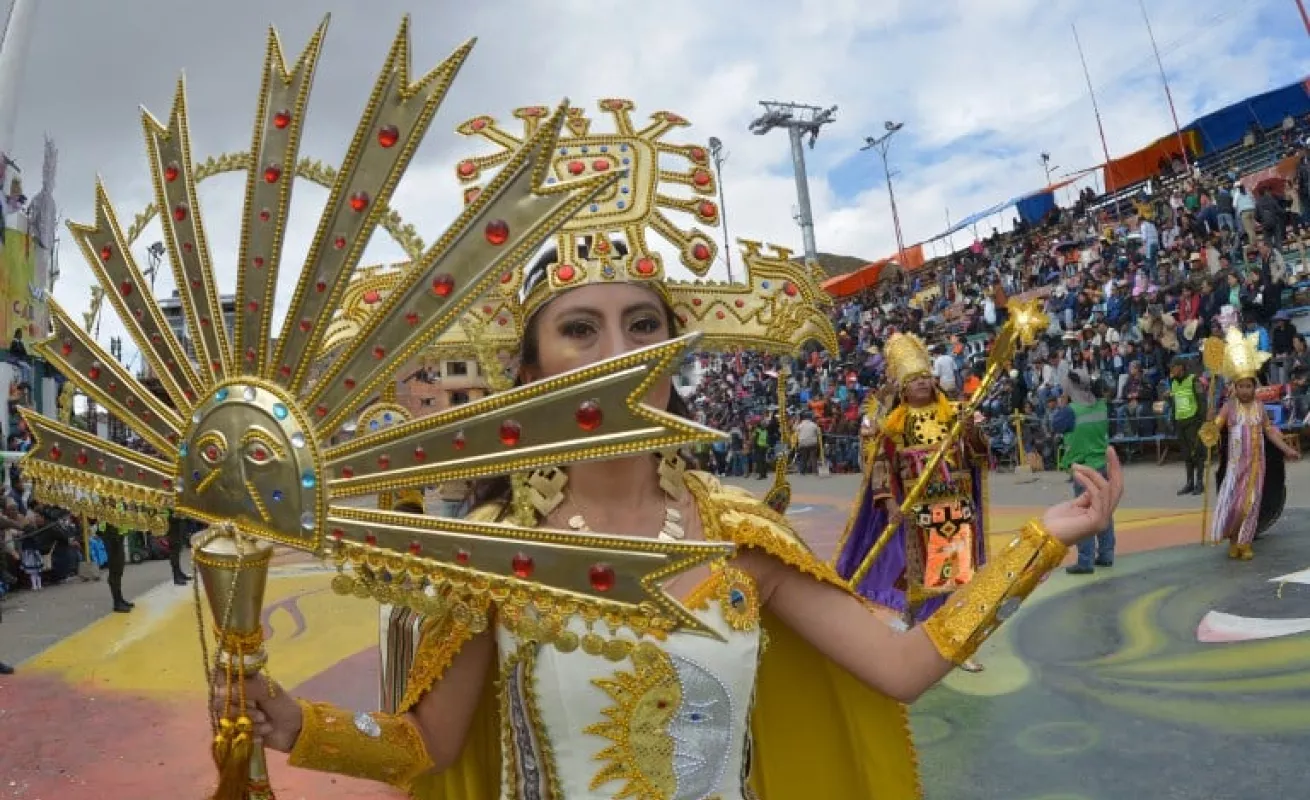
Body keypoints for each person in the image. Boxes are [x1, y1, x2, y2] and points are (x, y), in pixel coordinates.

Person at [23, 31, 1124, 797]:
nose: (616, 357)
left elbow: (897, 666)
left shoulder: (740, 538)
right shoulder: (491, 557)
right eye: (580, 329)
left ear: (673, 350)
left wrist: (1034, 544)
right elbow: (420, 744)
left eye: (642, 325)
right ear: (533, 363)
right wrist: (294, 722)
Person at [834, 332, 991, 672]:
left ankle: (956, 637)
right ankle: (919, 619)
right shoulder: (895, 425)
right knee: (922, 569)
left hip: (956, 503)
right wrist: (889, 503)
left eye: (925, 377)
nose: (921, 383)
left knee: (957, 571)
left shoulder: (955, 414)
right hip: (916, 508)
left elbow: (979, 454)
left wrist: (971, 432)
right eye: (914, 379)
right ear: (903, 389)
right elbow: (881, 465)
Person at [1209, 328, 1300, 560]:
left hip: (1256, 467)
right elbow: (1215, 427)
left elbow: (1269, 431)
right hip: (1234, 467)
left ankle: (1245, 543)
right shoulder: (1229, 407)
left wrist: (1286, 448)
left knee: (1251, 505)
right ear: (1235, 388)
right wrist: (1209, 428)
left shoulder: (1259, 408)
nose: (1245, 390)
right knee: (1236, 507)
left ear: (1254, 387)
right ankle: (1232, 538)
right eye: (1241, 386)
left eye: (1249, 386)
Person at [1060, 369, 1115, 575]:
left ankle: (1085, 561)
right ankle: (1107, 554)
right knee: (1104, 510)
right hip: (1101, 464)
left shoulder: (1070, 411)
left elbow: (1055, 425)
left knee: (1084, 514)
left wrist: (1064, 401)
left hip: (1082, 467)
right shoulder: (1101, 405)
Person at [1167, 356, 1205, 496]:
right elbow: (1174, 403)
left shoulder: (1194, 380)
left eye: (1173, 366)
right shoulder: (1173, 382)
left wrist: (1201, 421)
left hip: (1193, 422)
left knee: (1197, 453)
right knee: (1186, 454)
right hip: (1180, 422)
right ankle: (1190, 483)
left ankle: (1200, 483)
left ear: (1181, 367)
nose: (1171, 369)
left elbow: (1202, 401)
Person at [101, 521, 133, 613]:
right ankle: (117, 602)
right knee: (115, 569)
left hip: (118, 535)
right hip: (111, 535)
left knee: (119, 569)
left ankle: (120, 599)